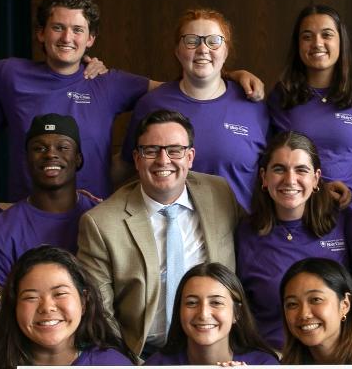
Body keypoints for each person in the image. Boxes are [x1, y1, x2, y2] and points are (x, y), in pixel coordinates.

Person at [0, 0, 266, 202]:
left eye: (77, 31)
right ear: (40, 33)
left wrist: (230, 72)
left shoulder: (111, 81)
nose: (66, 38)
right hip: (26, 211)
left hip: (93, 214)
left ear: (91, 39)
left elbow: (182, 80)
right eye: (57, 28)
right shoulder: (10, 73)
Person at [77, 110, 242, 360]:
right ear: (136, 158)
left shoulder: (219, 193)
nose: (163, 160)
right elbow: (102, 314)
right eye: (151, 150)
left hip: (219, 346)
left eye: (174, 150)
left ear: (190, 157)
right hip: (145, 353)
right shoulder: (101, 224)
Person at [121, 8, 269, 211]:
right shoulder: (152, 104)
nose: (203, 49)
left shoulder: (252, 105)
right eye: (192, 40)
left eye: (214, 41)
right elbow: (128, 167)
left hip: (239, 235)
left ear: (226, 50)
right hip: (169, 233)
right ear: (177, 51)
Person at [237, 131, 351, 348]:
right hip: (271, 355)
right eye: (279, 169)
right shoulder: (244, 233)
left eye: (301, 170)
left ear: (316, 178)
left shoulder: (343, 223)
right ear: (264, 177)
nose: (290, 180)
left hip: (333, 354)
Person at [267, 5, 352, 207]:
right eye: (307, 37)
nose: (317, 43)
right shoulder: (281, 97)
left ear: (341, 41)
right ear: (298, 44)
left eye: (327, 35)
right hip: (301, 210)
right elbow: (270, 161)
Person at [0, 246, 133, 367]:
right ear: (14, 306)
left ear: (83, 301)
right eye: (30, 297)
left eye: (60, 294)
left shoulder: (112, 364)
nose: (47, 307)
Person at [0, 114, 99, 287]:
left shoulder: (102, 220)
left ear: (78, 159)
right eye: (39, 148)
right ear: (27, 160)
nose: (51, 154)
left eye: (62, 147)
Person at [145, 263, 281, 365]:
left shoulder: (263, 364)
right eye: (192, 303)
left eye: (216, 302)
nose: (203, 314)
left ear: (237, 312)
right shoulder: (156, 365)